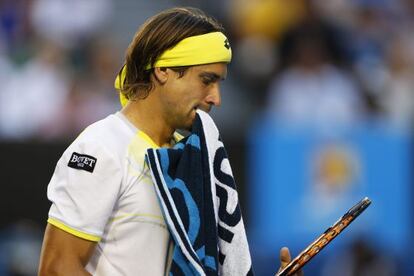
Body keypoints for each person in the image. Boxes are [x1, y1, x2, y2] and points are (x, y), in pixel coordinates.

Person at [38, 7, 300, 275]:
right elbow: (57, 268)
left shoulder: (190, 158)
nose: (216, 98)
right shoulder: (100, 147)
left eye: (219, 83)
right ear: (163, 70)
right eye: (206, 80)